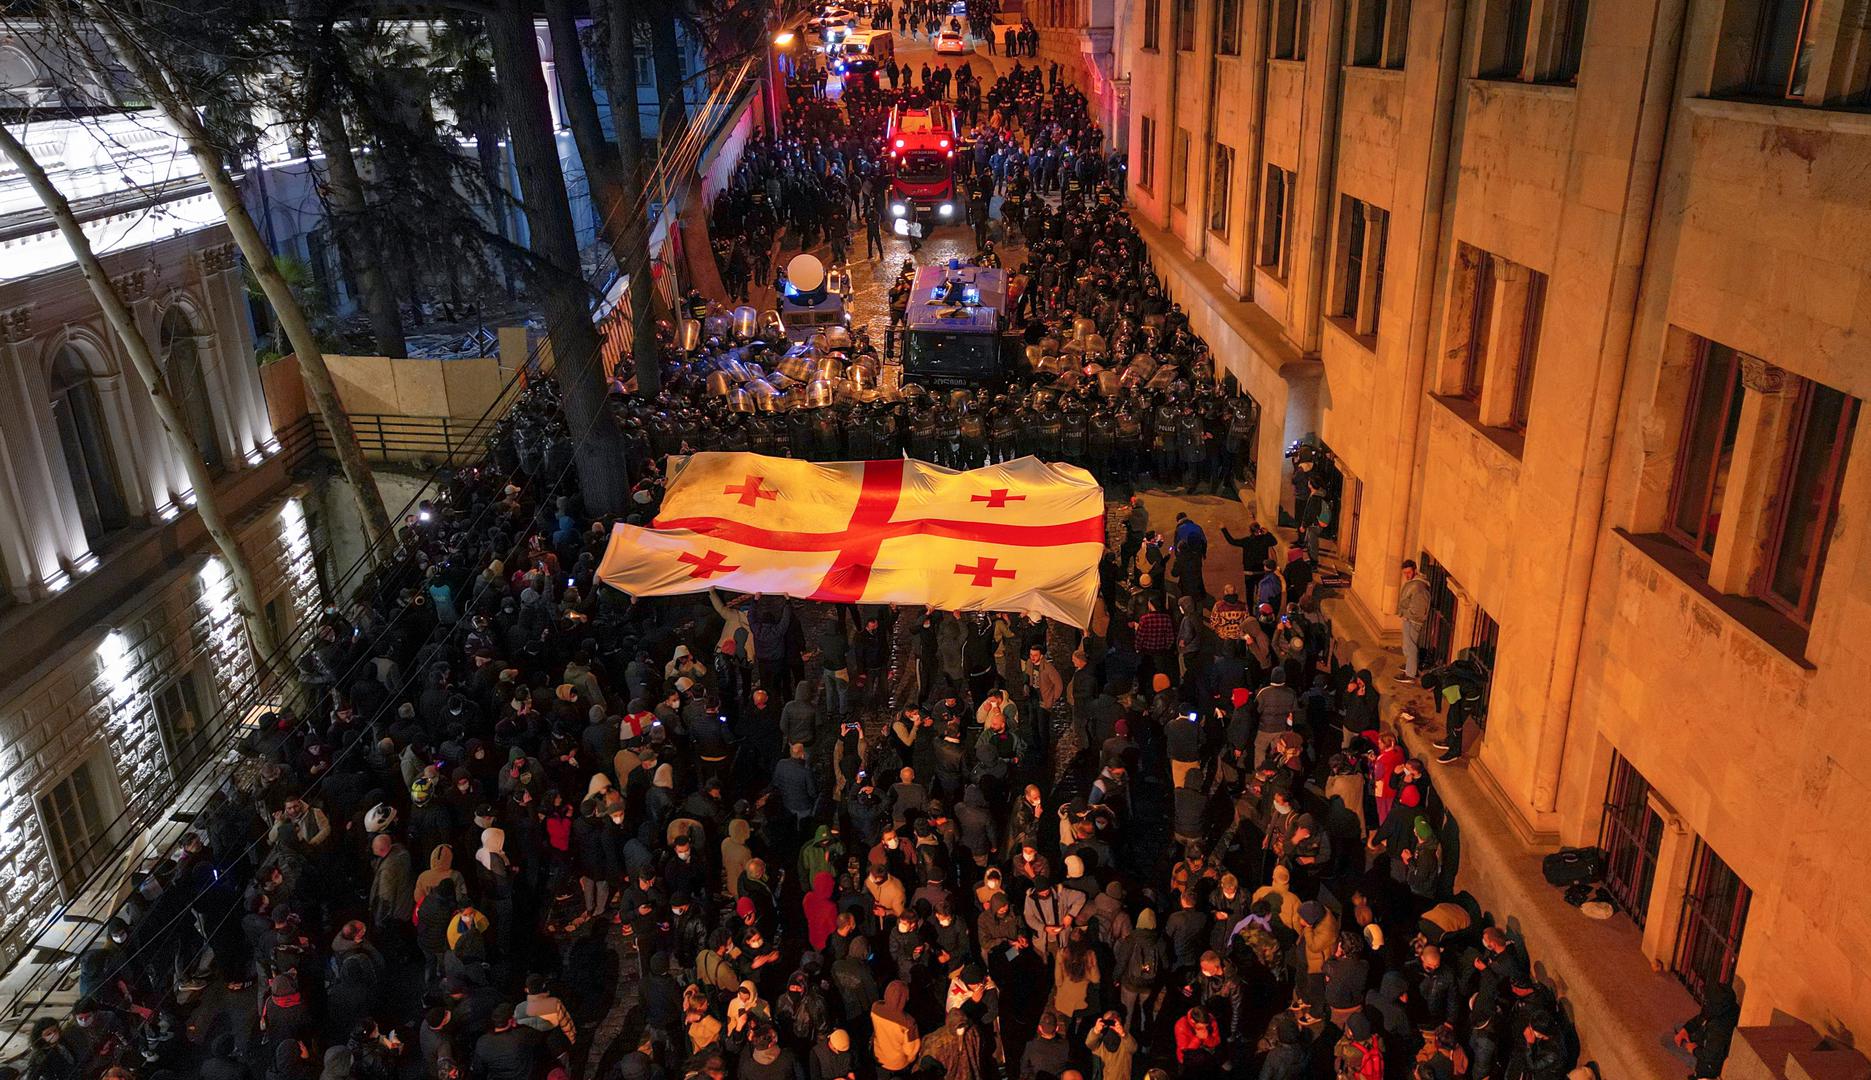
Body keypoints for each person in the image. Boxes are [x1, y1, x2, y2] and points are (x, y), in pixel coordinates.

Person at [1397, 559, 1431, 682]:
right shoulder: (1415, 584)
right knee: (1407, 645)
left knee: (1410, 646)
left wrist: (1406, 614)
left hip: (1413, 620)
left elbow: (1419, 609)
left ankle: (1410, 674)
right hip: (1409, 618)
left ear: (1415, 570)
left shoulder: (1418, 586)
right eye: (1404, 573)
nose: (1406, 575)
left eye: (1409, 572)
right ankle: (1410, 666)